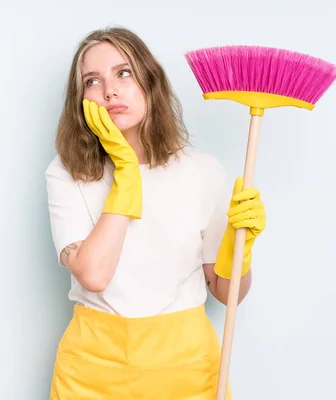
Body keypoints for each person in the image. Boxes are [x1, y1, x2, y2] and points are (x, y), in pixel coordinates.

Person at [45, 26, 266, 399]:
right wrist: (127, 176)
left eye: (123, 73)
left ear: (150, 80)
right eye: (92, 81)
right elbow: (95, 275)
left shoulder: (202, 170)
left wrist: (239, 250)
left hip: (187, 370)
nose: (109, 90)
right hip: (93, 372)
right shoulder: (67, 172)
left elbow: (226, 294)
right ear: (80, 99)